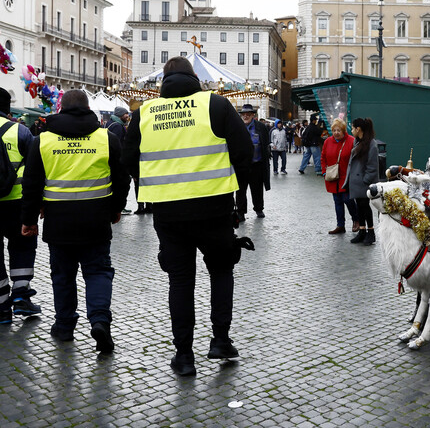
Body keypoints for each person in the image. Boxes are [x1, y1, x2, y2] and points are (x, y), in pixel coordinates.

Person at [122, 56, 253, 376]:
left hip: (168, 211)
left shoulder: (144, 114)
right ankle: (220, 340)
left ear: (163, 82)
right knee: (221, 270)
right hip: (214, 207)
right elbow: (244, 152)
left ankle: (184, 356)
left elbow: (129, 160)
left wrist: (153, 181)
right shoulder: (217, 105)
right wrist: (234, 191)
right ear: (194, 78)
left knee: (180, 281)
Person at [21, 89, 130, 352]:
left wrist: (29, 219)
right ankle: (100, 321)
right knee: (98, 272)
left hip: (59, 222)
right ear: (88, 108)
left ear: (61, 109)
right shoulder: (107, 138)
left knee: (63, 276)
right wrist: (116, 208)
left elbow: (32, 184)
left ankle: (65, 326)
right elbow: (122, 178)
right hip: (96, 220)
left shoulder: (43, 141)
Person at [0, 87, 41, 323]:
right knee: (23, 246)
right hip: (17, 201)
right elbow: (35, 171)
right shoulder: (21, 131)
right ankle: (21, 296)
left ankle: (2, 307)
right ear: (7, 108)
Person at [346, 118, 379, 245]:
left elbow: (372, 166)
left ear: (358, 129)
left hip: (364, 183)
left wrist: (365, 180)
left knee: (365, 207)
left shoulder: (371, 144)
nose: (352, 130)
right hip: (356, 182)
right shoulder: (357, 141)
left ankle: (371, 233)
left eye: (353, 128)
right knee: (359, 206)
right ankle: (362, 231)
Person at [321, 118, 357, 234]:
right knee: (337, 201)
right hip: (333, 177)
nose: (336, 132)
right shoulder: (328, 142)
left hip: (346, 177)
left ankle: (356, 219)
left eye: (339, 130)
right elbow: (323, 158)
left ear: (343, 131)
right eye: (334, 130)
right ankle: (340, 225)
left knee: (347, 199)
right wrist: (324, 171)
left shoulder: (351, 141)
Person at [235, 104, 271, 220]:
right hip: (241, 166)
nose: (245, 116)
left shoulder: (261, 127)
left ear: (253, 115)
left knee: (257, 189)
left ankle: (259, 209)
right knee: (240, 190)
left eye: (248, 114)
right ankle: (241, 212)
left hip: (256, 164)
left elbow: (265, 144)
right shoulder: (236, 126)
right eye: (243, 114)